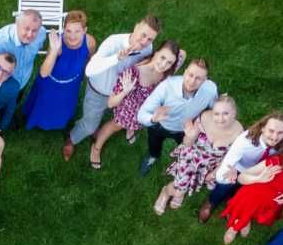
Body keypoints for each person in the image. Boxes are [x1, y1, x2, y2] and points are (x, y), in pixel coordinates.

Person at [65, 14, 160, 155]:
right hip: (98, 92)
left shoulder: (147, 48)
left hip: (121, 95)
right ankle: (71, 140)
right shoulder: (113, 42)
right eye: (143, 35)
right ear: (136, 27)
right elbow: (89, 70)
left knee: (112, 118)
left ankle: (98, 127)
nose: (145, 41)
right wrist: (116, 58)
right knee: (90, 126)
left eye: (150, 39)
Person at [87, 41, 181, 170]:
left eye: (170, 62)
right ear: (156, 53)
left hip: (145, 112)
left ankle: (131, 128)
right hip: (128, 110)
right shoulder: (133, 72)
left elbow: (182, 54)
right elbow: (110, 103)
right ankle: (96, 147)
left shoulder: (167, 72)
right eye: (162, 58)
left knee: (137, 124)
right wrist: (125, 91)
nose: (164, 64)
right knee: (116, 126)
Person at [153, 92, 242, 214]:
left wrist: (213, 173)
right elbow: (187, 143)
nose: (220, 119)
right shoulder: (205, 117)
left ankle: (179, 191)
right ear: (212, 112)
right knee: (180, 186)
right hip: (191, 157)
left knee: (191, 184)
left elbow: (229, 157)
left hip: (209, 165)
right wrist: (191, 135)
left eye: (226, 113)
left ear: (234, 113)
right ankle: (167, 191)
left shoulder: (239, 133)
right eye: (217, 114)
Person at [200, 110, 283, 221]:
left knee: (247, 193)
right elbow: (221, 175)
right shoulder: (244, 141)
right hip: (240, 168)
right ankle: (212, 201)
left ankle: (233, 205)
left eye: (280, 133)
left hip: (263, 169)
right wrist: (230, 173)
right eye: (271, 131)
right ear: (262, 128)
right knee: (226, 184)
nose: (275, 137)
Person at [136, 57, 219, 175]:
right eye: (190, 75)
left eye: (198, 78)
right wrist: (153, 119)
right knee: (154, 144)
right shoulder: (166, 86)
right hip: (160, 125)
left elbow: (214, 109)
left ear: (205, 80)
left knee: (187, 150)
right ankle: (153, 156)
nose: (192, 81)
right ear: (185, 72)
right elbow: (141, 115)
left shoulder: (210, 90)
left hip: (186, 129)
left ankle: (181, 162)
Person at [22, 11, 91, 132]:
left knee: (63, 106)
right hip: (50, 84)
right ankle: (37, 121)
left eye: (77, 31)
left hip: (71, 85)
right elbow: (44, 73)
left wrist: (84, 74)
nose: (72, 36)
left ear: (84, 30)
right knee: (44, 105)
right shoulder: (58, 44)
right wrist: (54, 50)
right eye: (68, 31)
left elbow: (89, 58)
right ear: (64, 29)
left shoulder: (90, 42)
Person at [0, 8, 47, 88]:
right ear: (17, 24)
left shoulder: (41, 33)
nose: (30, 35)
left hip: (24, 79)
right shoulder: (0, 40)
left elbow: (39, 45)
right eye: (26, 29)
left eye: (34, 31)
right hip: (4, 83)